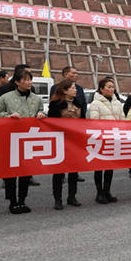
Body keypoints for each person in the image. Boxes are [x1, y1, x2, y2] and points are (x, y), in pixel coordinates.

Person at [0, 69, 46, 214]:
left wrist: (42, 114)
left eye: (30, 79)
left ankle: (22, 200)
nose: (29, 82)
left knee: (26, 172)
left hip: (28, 140)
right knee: (11, 172)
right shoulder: (5, 98)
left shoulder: (36, 99)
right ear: (17, 82)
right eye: (26, 79)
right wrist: (8, 116)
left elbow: (41, 112)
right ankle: (12, 201)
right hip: (10, 140)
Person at [47, 79, 86, 210]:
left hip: (75, 141)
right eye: (72, 88)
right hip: (60, 140)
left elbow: (83, 121)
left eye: (75, 88)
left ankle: (72, 196)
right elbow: (51, 122)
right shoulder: (55, 104)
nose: (75, 90)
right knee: (59, 171)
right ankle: (57, 199)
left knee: (74, 171)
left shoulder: (78, 103)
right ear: (64, 90)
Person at [87, 77, 125, 204]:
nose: (111, 89)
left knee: (110, 166)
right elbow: (94, 121)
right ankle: (99, 193)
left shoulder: (117, 103)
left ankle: (107, 191)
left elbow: (123, 119)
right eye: (108, 87)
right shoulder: (95, 103)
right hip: (100, 138)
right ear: (101, 89)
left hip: (114, 138)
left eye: (112, 87)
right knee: (99, 166)